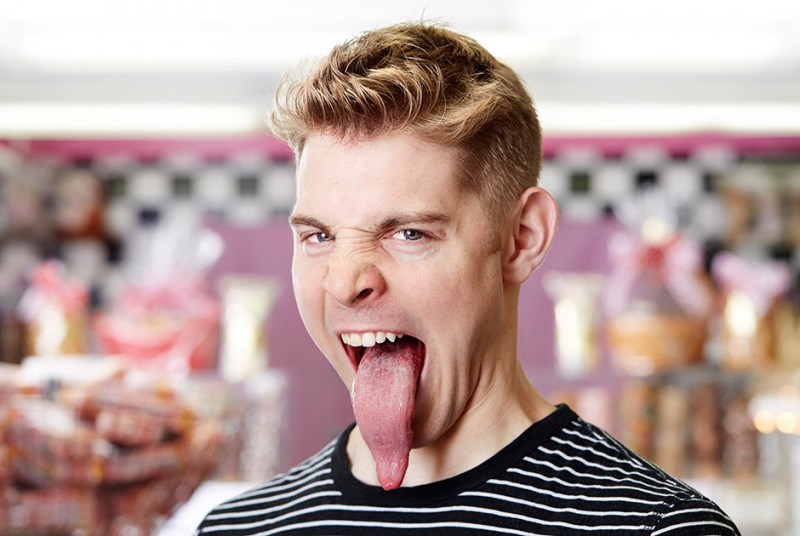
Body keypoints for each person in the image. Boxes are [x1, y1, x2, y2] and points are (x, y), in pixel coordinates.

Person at [196, 22, 740, 535]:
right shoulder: (239, 528)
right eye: (319, 236)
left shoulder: (656, 527)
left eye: (408, 233)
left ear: (522, 238)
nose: (344, 282)